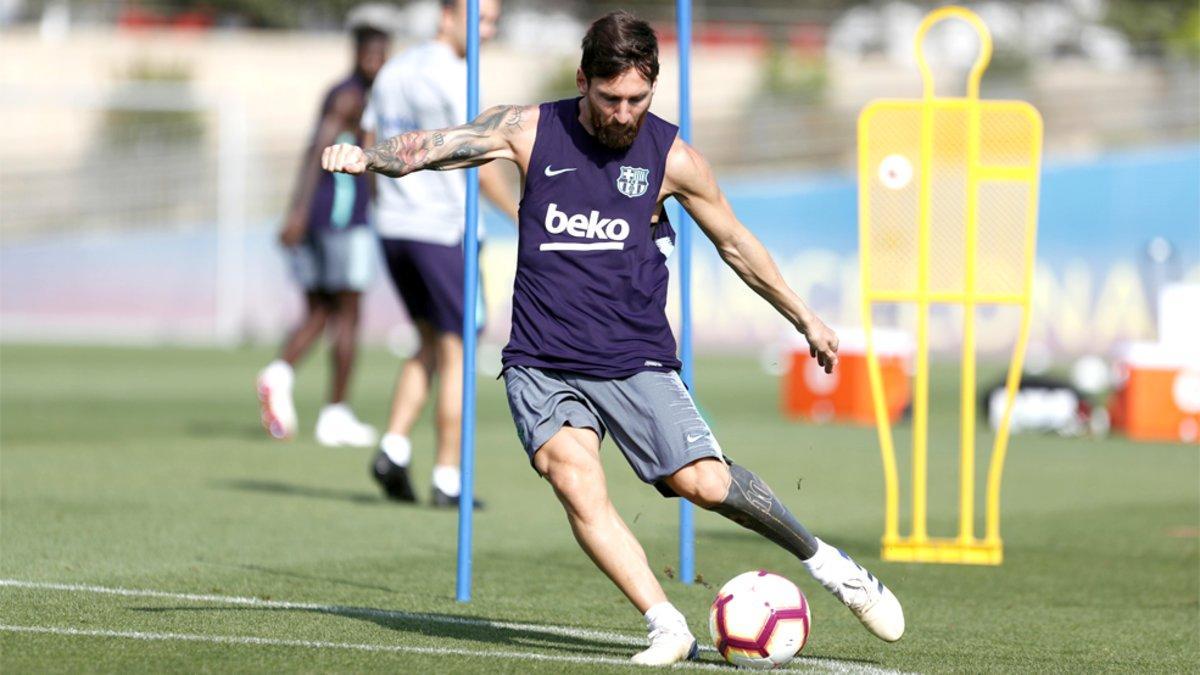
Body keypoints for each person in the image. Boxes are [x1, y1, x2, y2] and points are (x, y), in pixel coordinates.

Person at [322, 11, 904, 665]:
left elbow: (737, 244)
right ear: (582, 82)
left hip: (635, 357)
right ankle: (666, 623)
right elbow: (435, 146)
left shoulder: (672, 156)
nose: (624, 112)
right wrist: (368, 156)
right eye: (610, 99)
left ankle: (830, 565)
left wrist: (804, 317)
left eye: (638, 99)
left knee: (704, 483)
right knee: (573, 478)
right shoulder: (529, 129)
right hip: (541, 359)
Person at [362, 0, 518, 507]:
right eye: (483, 19)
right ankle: (448, 479)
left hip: (394, 228)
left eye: (493, 21)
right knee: (457, 352)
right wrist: (524, 214)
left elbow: (370, 143)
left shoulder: (394, 70)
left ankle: (393, 447)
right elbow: (483, 160)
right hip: (444, 231)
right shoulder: (456, 77)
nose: (488, 31)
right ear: (449, 14)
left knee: (427, 342)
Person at [257, 15, 390, 447]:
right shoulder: (350, 97)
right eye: (369, 52)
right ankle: (335, 413)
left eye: (381, 52)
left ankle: (279, 374)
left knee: (320, 311)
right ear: (356, 53)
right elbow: (317, 151)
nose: (375, 60)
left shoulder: (355, 93)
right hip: (339, 219)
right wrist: (297, 212)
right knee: (348, 313)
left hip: (324, 218)